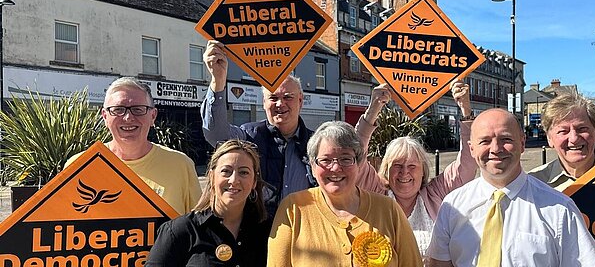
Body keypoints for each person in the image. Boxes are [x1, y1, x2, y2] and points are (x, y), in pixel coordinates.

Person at [202, 40, 373, 216]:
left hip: (307, 231)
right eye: (273, 98)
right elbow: (216, 134)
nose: (280, 103)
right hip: (260, 231)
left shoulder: (316, 144)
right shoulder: (248, 137)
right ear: (263, 103)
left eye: (288, 97)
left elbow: (352, 160)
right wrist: (218, 79)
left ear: (301, 101)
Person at [427, 108, 595, 266]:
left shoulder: (560, 209)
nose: (495, 148)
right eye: (485, 141)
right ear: (472, 149)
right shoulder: (453, 205)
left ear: (522, 143)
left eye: (506, 139)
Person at [267, 121, 423, 267]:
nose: (335, 168)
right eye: (326, 160)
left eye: (345, 159)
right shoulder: (293, 209)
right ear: (313, 167)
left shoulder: (388, 209)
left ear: (359, 164)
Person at [354, 81, 477, 257]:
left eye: (412, 166)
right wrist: (373, 110)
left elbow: (468, 164)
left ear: (423, 171)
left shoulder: (436, 194)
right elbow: (355, 155)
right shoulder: (375, 192)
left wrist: (466, 110)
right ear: (386, 169)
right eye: (397, 165)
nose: (405, 172)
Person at [66, 77, 202, 215]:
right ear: (105, 117)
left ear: (153, 116)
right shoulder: (79, 166)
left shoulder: (180, 165)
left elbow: (199, 228)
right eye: (118, 110)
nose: (128, 118)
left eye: (138, 109)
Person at [146, 139, 271, 267]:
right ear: (212, 176)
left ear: (254, 181)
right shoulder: (180, 231)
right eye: (226, 171)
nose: (234, 180)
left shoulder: (270, 231)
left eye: (243, 172)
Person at [529, 91, 595, 191]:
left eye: (582, 129)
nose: (574, 138)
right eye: (563, 131)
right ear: (549, 138)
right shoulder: (534, 183)